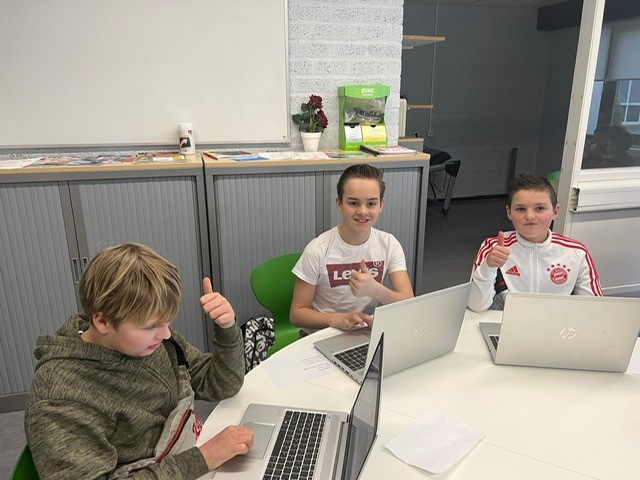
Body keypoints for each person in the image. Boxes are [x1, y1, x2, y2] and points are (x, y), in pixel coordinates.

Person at [24, 242, 254, 479]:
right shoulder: (60, 398)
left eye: (168, 322)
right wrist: (204, 458)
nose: (166, 334)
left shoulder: (152, 341)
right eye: (150, 326)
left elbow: (221, 384)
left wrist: (227, 328)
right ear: (102, 322)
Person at [290, 163, 414, 331]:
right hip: (324, 333)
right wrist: (337, 319)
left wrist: (375, 290)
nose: (363, 211)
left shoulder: (389, 244)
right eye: (354, 203)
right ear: (339, 204)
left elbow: (409, 303)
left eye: (371, 204)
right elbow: (297, 314)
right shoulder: (318, 249)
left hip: (366, 331)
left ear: (381, 205)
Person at [467, 174, 603, 312]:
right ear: (509, 212)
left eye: (539, 208)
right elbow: (475, 306)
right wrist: (488, 267)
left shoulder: (576, 252)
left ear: (555, 211)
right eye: (521, 209)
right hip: (507, 322)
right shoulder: (493, 247)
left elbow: (595, 308)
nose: (530, 216)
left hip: (557, 323)